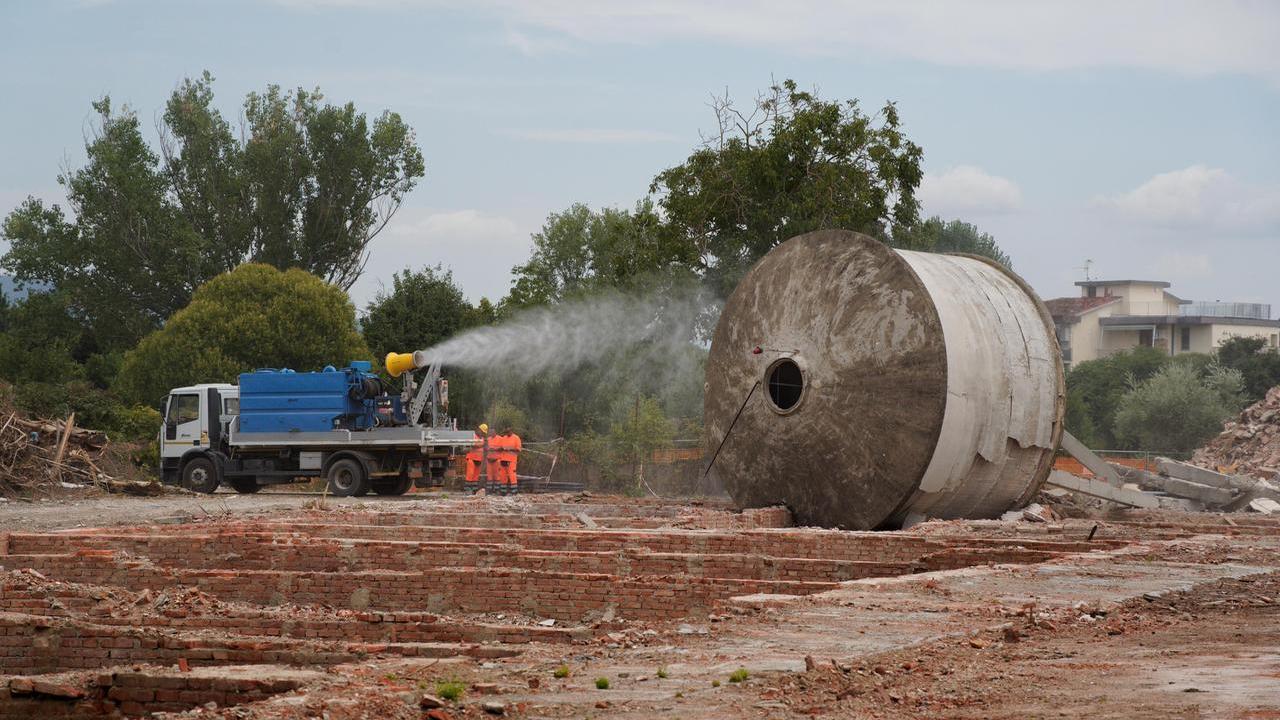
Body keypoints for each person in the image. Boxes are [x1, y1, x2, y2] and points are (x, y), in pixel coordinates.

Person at [497, 426, 523, 495]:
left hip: (511, 460)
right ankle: (503, 491)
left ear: (512, 431)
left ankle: (514, 492)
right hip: (503, 460)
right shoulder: (504, 438)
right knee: (503, 476)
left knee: (512, 475)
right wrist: (500, 449)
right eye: (506, 432)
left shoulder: (516, 438)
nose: (507, 433)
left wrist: (510, 449)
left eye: (508, 432)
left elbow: (518, 449)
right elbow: (500, 447)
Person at [464, 423, 489, 494]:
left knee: (476, 476)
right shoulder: (473, 436)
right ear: (479, 430)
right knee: (470, 475)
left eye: (484, 433)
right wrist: (483, 444)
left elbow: (486, 449)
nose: (483, 434)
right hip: (471, 458)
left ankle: (474, 490)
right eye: (482, 432)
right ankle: (468, 490)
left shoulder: (483, 439)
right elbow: (473, 445)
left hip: (479, 460)